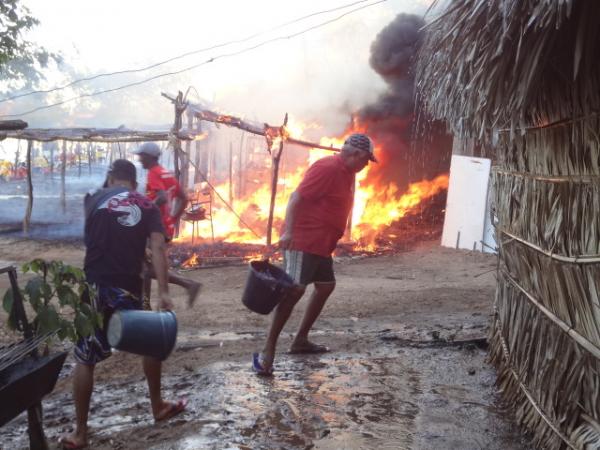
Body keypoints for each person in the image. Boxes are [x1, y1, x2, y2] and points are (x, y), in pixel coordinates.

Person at [60, 160, 185, 450]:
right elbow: (157, 247)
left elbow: (100, 235)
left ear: (110, 178)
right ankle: (157, 406)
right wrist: (164, 291)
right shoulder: (146, 204)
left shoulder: (91, 199)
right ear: (135, 180)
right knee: (151, 341)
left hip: (93, 283)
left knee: (85, 357)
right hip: (126, 286)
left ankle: (80, 433)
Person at [253, 133, 377, 376]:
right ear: (357, 154)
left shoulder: (348, 172)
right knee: (294, 291)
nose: (366, 166)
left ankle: (300, 340)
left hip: (321, 244)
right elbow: (296, 197)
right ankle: (268, 350)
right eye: (366, 160)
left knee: (325, 286)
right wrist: (288, 232)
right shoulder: (327, 167)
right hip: (304, 240)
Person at [132, 142, 201, 307]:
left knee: (146, 267)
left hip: (154, 228)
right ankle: (152, 302)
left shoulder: (154, 173)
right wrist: (173, 219)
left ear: (149, 157)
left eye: (141, 156)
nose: (139, 159)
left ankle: (148, 303)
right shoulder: (166, 174)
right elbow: (183, 197)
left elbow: (162, 197)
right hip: (164, 226)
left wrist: (146, 212)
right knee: (149, 265)